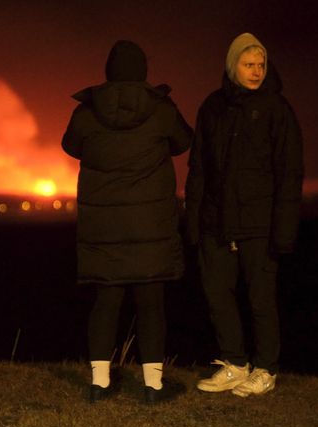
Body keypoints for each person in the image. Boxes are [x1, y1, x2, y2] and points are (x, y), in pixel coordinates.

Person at [62, 40, 194, 404]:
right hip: (150, 226)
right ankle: (153, 387)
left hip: (105, 230)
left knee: (106, 301)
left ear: (109, 70)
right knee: (152, 304)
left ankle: (99, 383)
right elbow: (184, 142)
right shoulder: (161, 108)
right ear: (143, 71)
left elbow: (70, 147)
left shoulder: (88, 111)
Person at [185, 32, 304, 397]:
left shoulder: (277, 109)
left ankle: (266, 369)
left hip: (259, 223)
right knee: (217, 292)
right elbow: (199, 167)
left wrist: (283, 230)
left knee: (260, 297)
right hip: (216, 221)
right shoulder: (213, 107)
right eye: (248, 64)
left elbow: (289, 171)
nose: (256, 71)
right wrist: (193, 221)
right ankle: (235, 364)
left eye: (261, 65)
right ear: (232, 65)